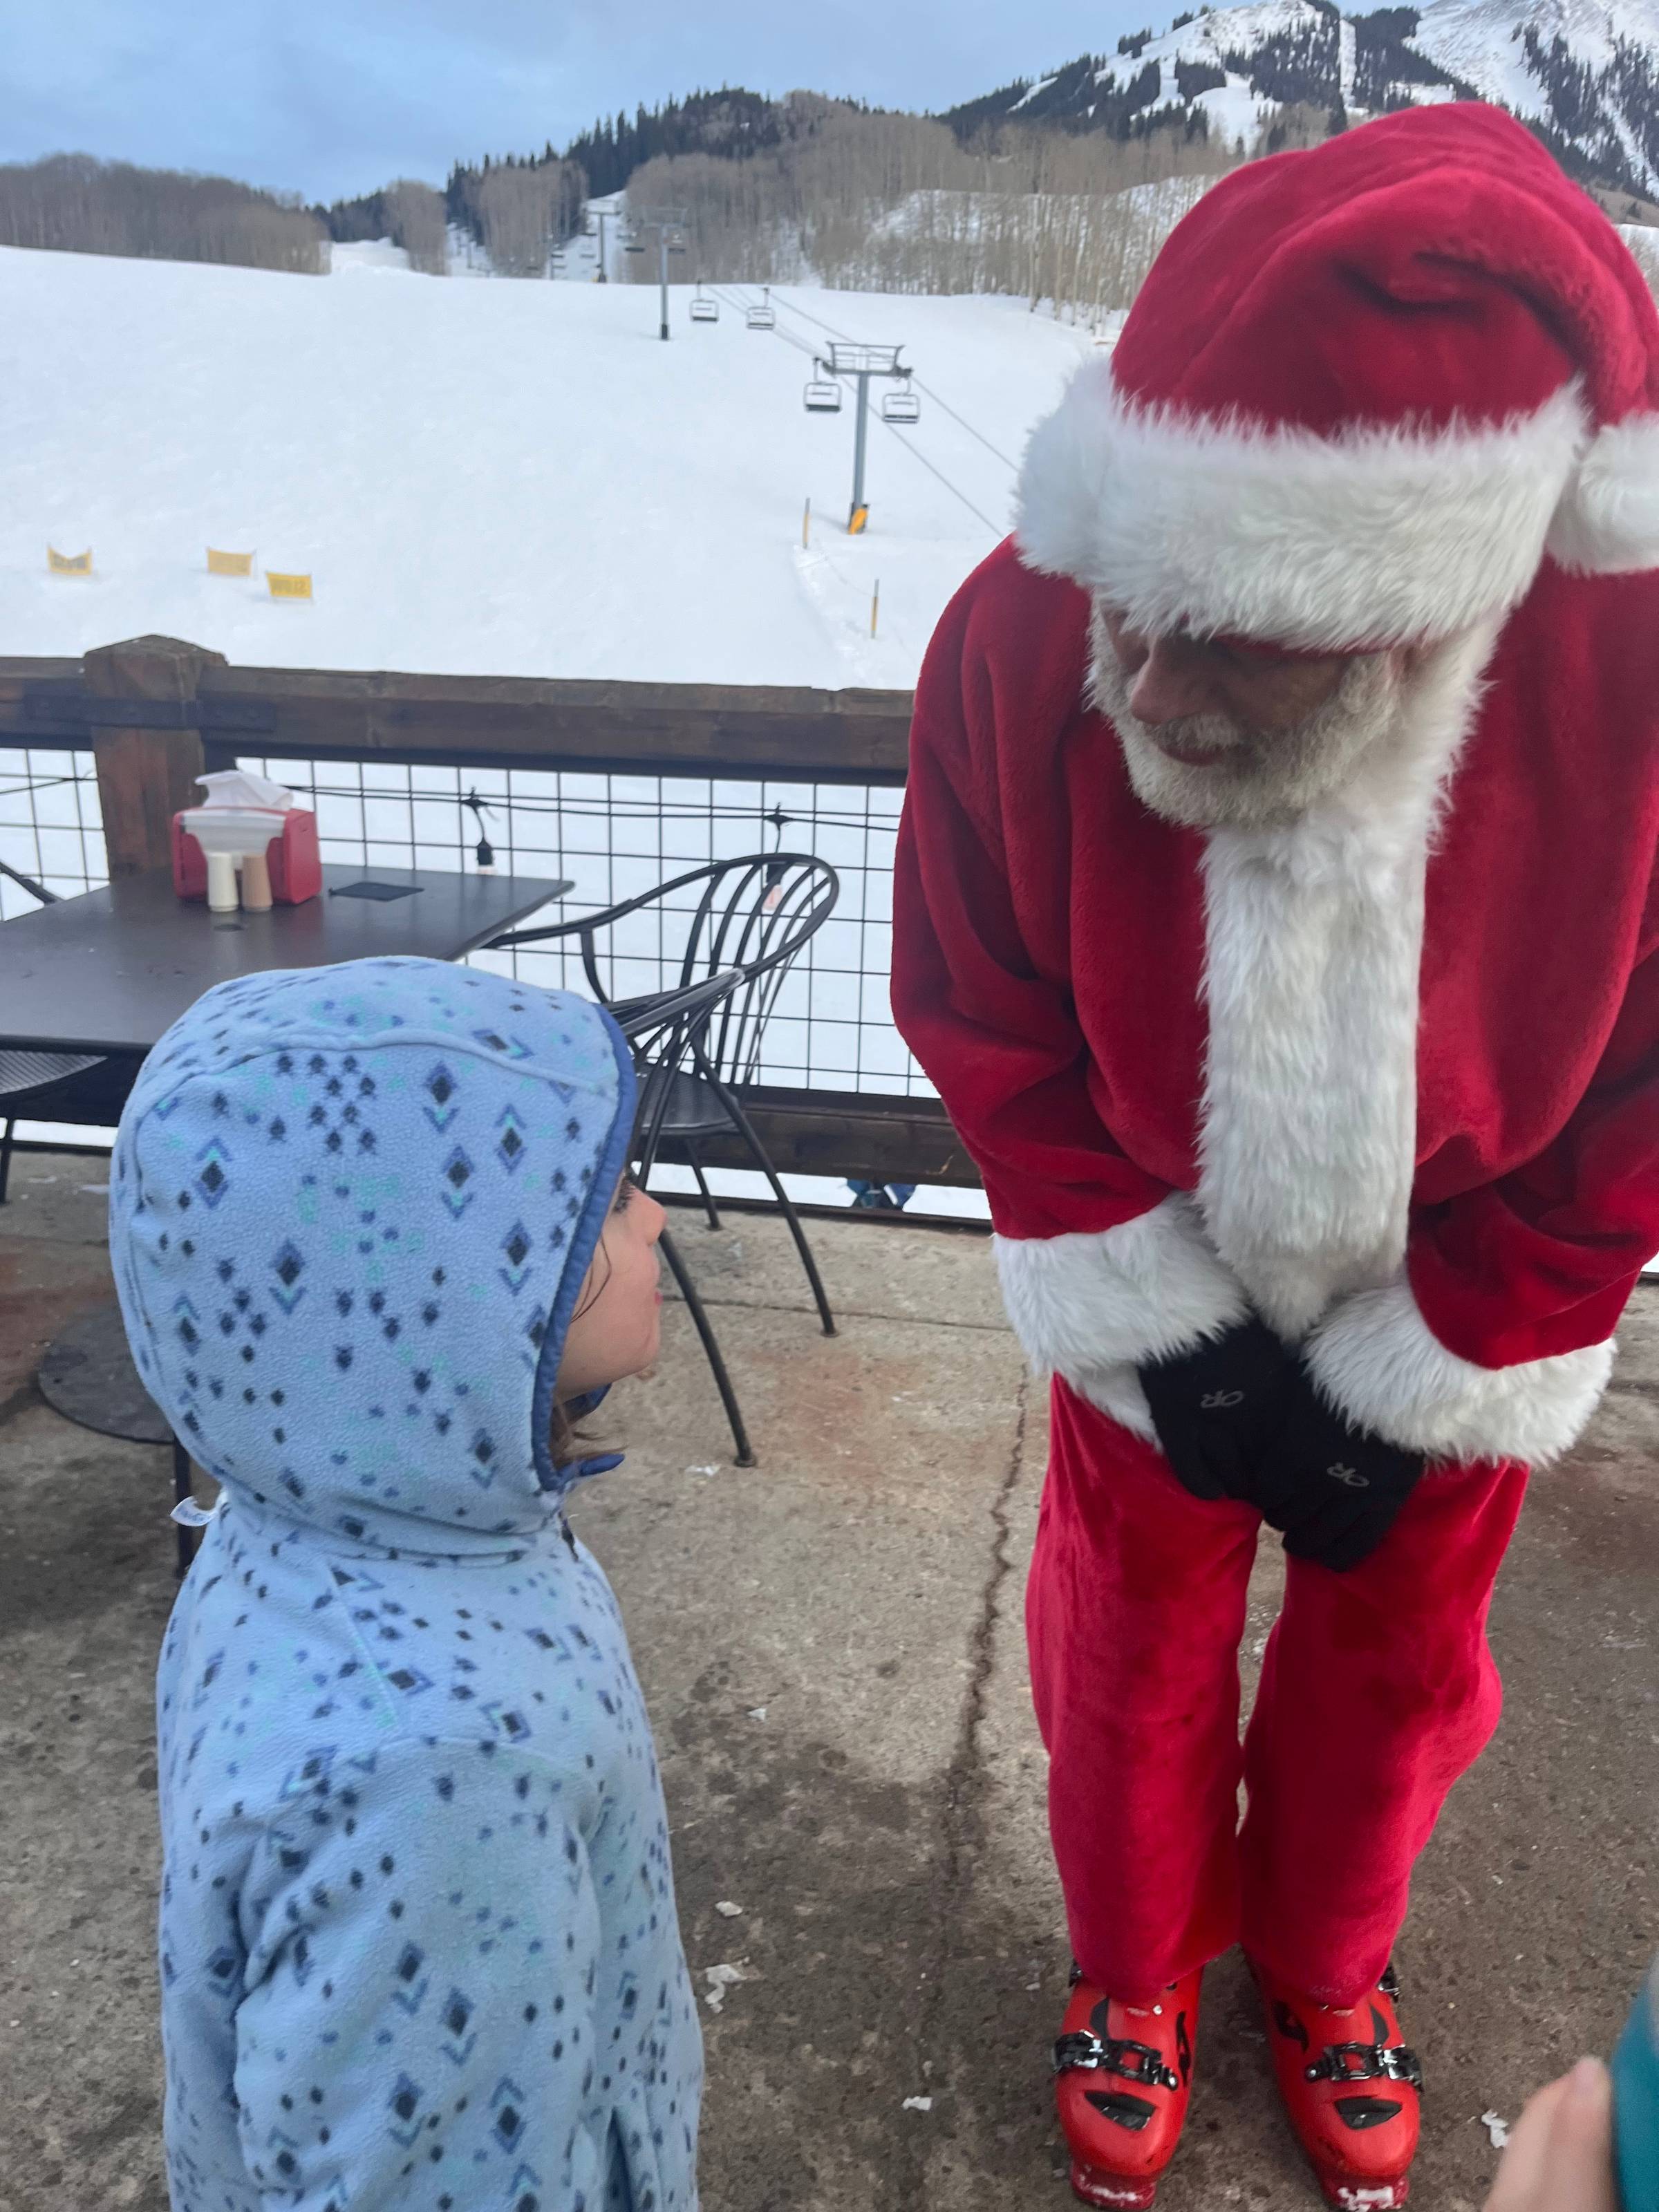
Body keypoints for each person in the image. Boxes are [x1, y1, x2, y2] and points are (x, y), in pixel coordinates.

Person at [892, 102, 1659, 2211]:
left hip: (1467, 1286)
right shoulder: (1019, 629)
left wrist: (1477, 1339)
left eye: (1234, 631)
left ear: (1432, 586)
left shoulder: (1634, 672)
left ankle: (1330, 1966)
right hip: (1147, 1258)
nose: (1141, 679)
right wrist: (1146, 1298)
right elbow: (973, 989)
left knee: (1394, 1672)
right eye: (1133, 602)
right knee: (1124, 1644)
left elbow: (1650, 1080)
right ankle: (1135, 1965)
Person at [109, 955, 702, 2212]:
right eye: (600, 1200)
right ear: (422, 1288)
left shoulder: (316, 1519)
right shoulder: (441, 1778)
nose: (653, 1220)